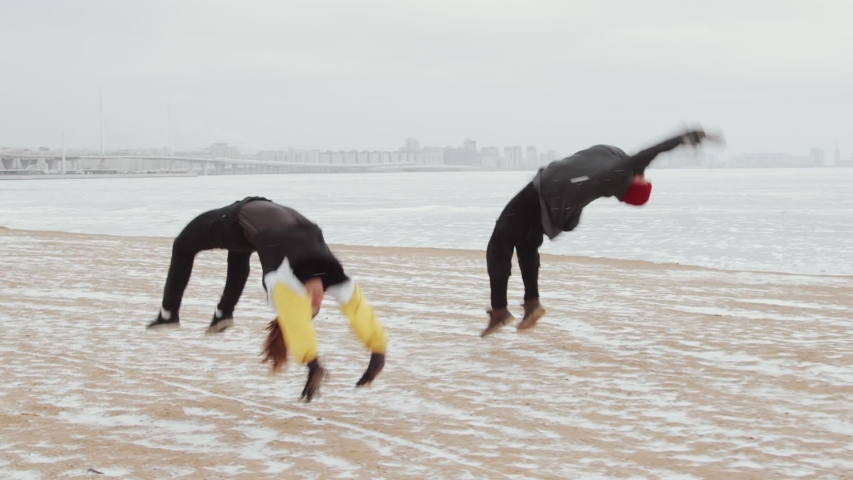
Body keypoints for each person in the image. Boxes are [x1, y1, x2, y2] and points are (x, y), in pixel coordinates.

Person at [481, 127, 721, 337]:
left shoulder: (621, 172)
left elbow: (652, 150)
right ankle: (531, 303)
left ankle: (500, 311)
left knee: (499, 243)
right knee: (526, 242)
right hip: (554, 202)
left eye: (642, 182)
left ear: (632, 188)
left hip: (543, 194)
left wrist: (689, 136)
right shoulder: (625, 174)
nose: (642, 178)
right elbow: (648, 158)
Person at [148, 196, 387, 402]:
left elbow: (295, 321)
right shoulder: (333, 275)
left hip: (234, 220)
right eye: (317, 305)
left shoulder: (283, 281)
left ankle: (169, 314)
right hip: (264, 221)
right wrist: (378, 351)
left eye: (308, 307)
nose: (315, 302)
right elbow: (358, 309)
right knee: (240, 251)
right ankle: (223, 314)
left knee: (183, 245)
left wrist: (312, 364)